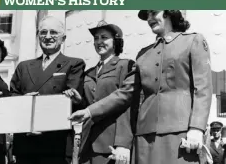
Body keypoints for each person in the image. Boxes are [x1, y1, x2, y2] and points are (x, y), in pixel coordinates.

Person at [69, 10, 213, 164]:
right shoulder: (143, 54)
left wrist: (197, 128)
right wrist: (89, 112)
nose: (149, 19)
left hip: (181, 135)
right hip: (144, 138)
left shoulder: (193, 41)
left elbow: (203, 88)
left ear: (169, 11)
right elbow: (126, 95)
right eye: (147, 16)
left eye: (153, 12)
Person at [10, 16, 86, 164]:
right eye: (43, 32)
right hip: (25, 142)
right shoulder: (24, 67)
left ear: (63, 38)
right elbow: (12, 97)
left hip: (56, 144)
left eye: (53, 32)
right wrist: (24, 101)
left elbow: (71, 100)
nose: (48, 36)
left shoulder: (74, 64)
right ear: (38, 36)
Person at [64, 20, 135, 164]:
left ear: (116, 41)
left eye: (104, 37)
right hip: (87, 143)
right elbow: (90, 106)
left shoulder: (125, 66)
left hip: (111, 145)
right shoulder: (89, 72)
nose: (99, 42)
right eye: (96, 38)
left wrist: (123, 143)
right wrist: (79, 101)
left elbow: (127, 104)